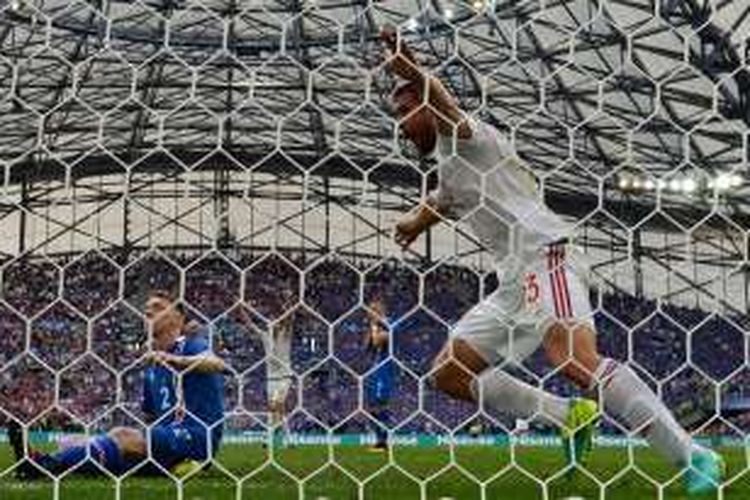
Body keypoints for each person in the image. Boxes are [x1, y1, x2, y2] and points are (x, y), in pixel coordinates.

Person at [380, 25, 723, 494]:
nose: (400, 123)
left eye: (404, 110)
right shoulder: (449, 163)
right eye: (395, 115)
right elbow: (445, 198)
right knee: (449, 372)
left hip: (546, 256)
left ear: (423, 102)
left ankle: (694, 456)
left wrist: (411, 68)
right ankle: (569, 416)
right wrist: (414, 223)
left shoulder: (469, 136)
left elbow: (445, 107)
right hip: (513, 282)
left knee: (574, 361)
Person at [9, 289, 226, 479]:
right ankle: (39, 462)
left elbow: (216, 364)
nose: (148, 312)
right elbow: (151, 415)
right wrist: (140, 443)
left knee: (121, 435)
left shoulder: (190, 345)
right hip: (169, 440)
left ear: (178, 318)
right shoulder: (151, 364)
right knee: (74, 441)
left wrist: (176, 361)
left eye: (158, 308)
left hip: (196, 436)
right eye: (146, 309)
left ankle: (45, 465)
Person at [364, 299, 394, 451]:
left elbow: (377, 342)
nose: (369, 313)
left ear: (380, 311)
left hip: (384, 367)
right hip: (374, 368)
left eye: (372, 310)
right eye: (369, 310)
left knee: (380, 403)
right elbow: (367, 346)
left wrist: (375, 326)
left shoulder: (389, 324)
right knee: (372, 405)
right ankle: (379, 440)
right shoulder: (374, 326)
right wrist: (372, 328)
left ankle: (384, 441)